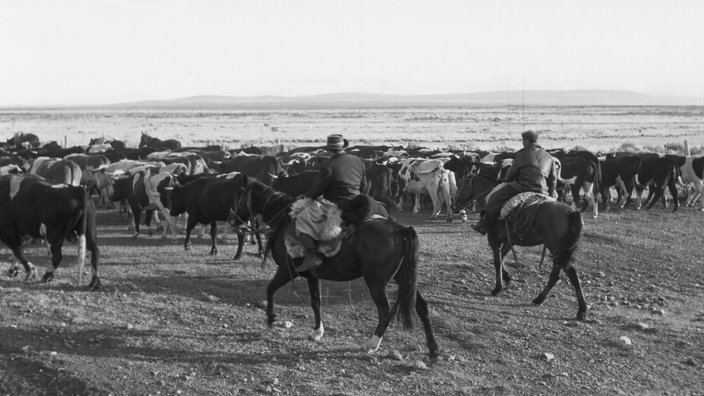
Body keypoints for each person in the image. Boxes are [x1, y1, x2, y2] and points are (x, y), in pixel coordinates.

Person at [294, 134, 367, 272]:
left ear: (328, 149)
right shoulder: (358, 160)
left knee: (302, 217)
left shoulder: (329, 165)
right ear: (344, 146)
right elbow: (364, 185)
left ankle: (312, 256)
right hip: (356, 200)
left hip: (334, 203)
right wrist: (357, 197)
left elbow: (319, 189)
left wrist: (305, 197)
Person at [472, 130, 556, 235]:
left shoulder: (522, 154)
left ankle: (485, 226)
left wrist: (507, 179)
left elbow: (509, 177)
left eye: (523, 140)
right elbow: (552, 179)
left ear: (527, 141)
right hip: (543, 190)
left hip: (523, 187)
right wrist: (551, 195)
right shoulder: (548, 156)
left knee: (493, 199)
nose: (522, 143)